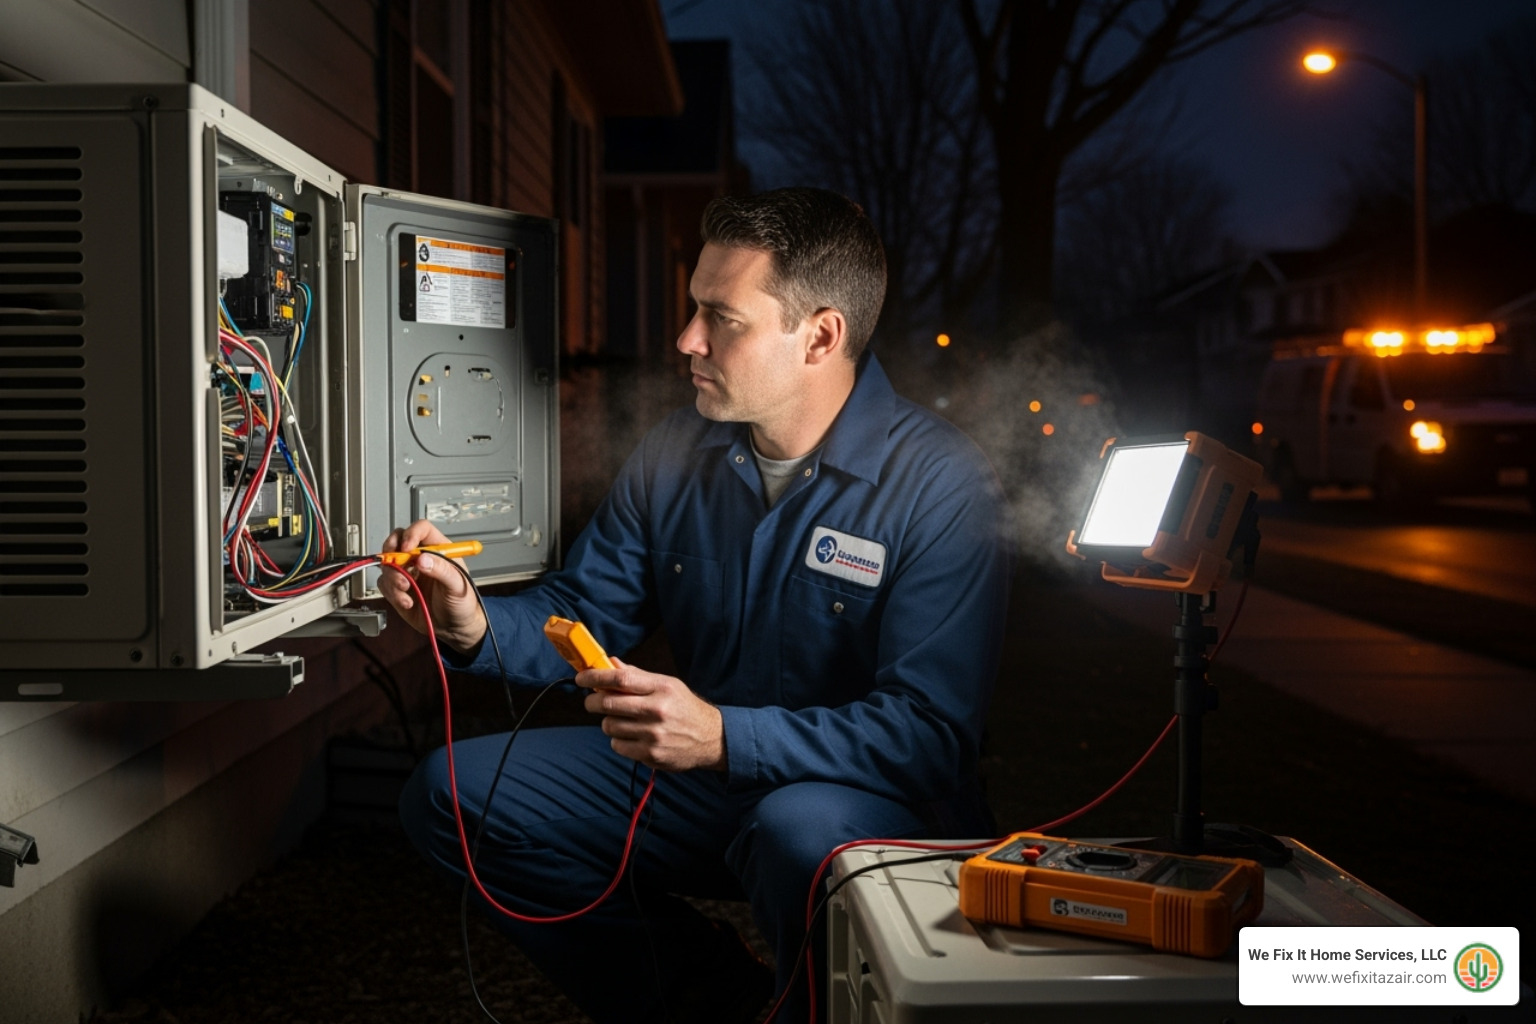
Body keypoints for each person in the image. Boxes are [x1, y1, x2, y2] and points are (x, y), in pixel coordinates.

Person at [381, 187, 1011, 1023]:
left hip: (864, 808)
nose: (687, 340)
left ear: (820, 335)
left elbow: (930, 735)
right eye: (691, 309)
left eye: (724, 318)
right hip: (706, 780)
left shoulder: (940, 483)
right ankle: (720, 1004)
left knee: (798, 830)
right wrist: (471, 620)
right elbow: (583, 608)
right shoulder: (678, 452)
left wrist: (723, 735)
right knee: (451, 793)